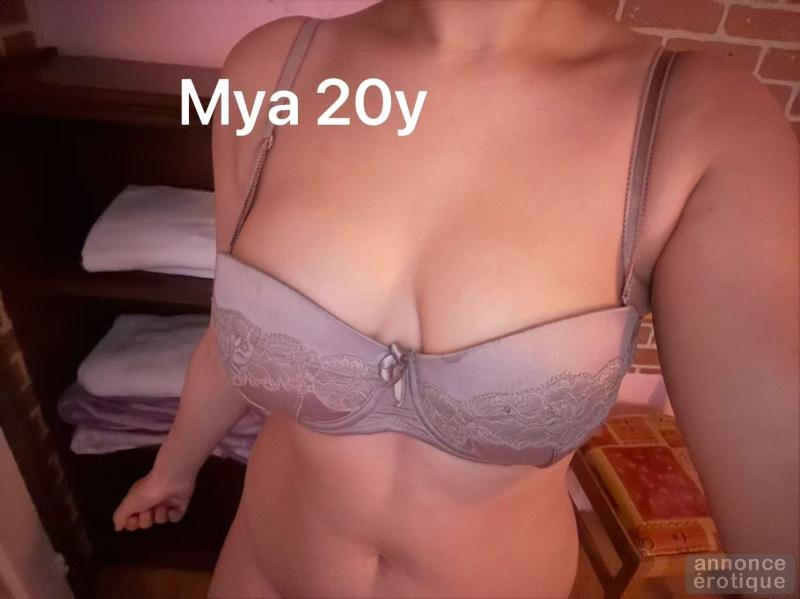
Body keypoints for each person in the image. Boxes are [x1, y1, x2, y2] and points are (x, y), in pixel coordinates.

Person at [112, 1, 800, 597]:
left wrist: (726, 580)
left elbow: (781, 550)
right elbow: (230, 327)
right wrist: (173, 468)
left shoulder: (701, 123)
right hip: (263, 572)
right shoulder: (267, 68)